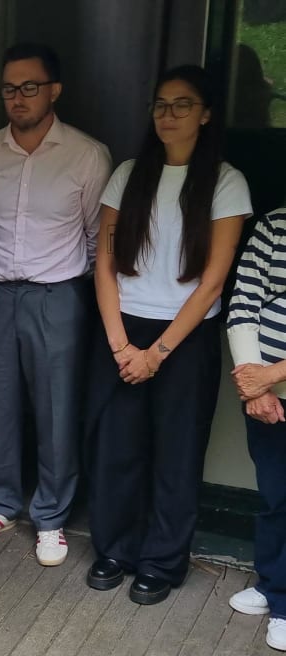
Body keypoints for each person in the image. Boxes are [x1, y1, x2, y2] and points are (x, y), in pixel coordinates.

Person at [86, 64, 250, 605]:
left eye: (182, 105)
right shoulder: (129, 173)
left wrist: (156, 353)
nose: (168, 115)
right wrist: (119, 344)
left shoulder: (225, 182)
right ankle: (115, 549)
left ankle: (161, 561)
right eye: (160, 104)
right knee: (117, 447)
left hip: (185, 336)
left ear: (205, 115)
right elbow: (104, 262)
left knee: (175, 453)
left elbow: (213, 281)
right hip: (122, 327)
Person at [0, 43, 111, 567]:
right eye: (9, 88)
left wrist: (63, 277)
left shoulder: (87, 155)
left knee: (57, 407)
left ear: (54, 90)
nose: (18, 97)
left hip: (58, 294)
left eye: (29, 87)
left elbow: (95, 235)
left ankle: (51, 515)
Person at [226, 205, 286, 651]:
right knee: (275, 494)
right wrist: (254, 386)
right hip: (268, 396)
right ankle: (273, 584)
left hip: (272, 381)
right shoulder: (275, 224)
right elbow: (244, 303)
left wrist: (272, 375)